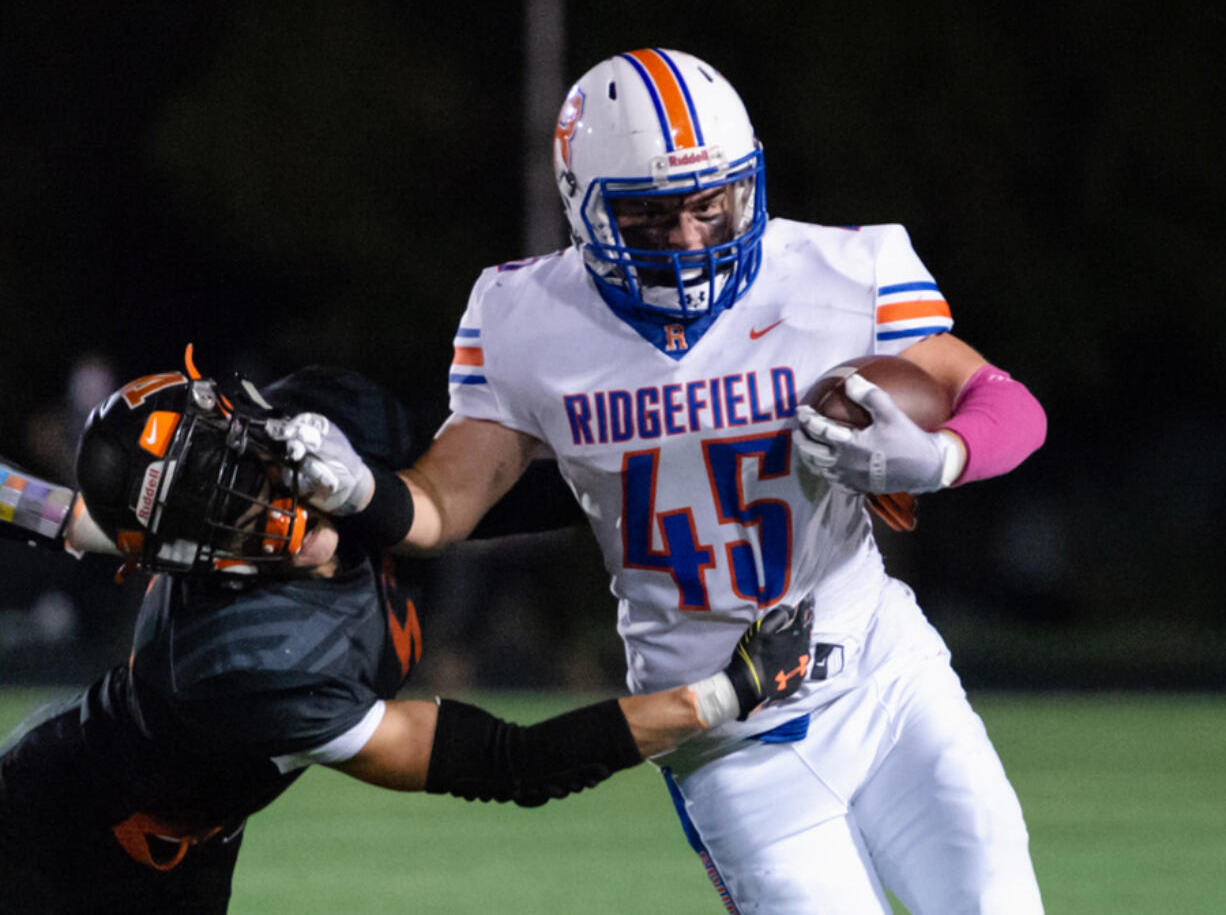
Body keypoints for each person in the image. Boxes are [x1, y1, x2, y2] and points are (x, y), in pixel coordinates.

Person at [282, 49, 1049, 914]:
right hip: (724, 727)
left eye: (708, 205)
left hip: (885, 678)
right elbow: (442, 507)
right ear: (585, 208)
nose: (689, 241)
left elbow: (1007, 402)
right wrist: (355, 492)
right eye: (650, 219)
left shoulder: (839, 272)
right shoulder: (526, 318)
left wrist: (940, 456)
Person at [0, 356, 813, 915]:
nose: (273, 498)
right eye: (235, 508)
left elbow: (484, 495)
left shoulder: (315, 427)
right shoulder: (250, 662)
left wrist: (706, 464)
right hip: (55, 844)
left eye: (247, 459)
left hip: (190, 845)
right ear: (199, 559)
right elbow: (509, 763)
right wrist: (721, 694)